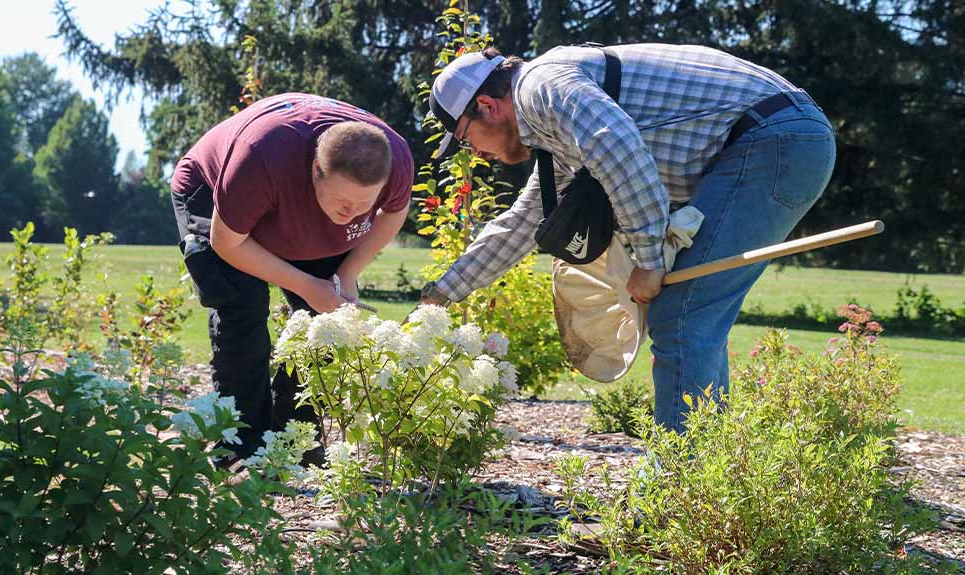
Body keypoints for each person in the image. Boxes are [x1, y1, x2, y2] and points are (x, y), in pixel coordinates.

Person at [420, 45, 836, 433]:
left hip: (775, 138)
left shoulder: (540, 87)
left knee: (682, 314)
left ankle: (677, 485)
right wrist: (439, 295)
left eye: (463, 138)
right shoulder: (553, 129)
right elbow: (523, 223)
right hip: (775, 136)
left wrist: (650, 261)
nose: (473, 153)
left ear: (487, 106)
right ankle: (708, 472)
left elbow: (618, 147)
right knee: (691, 315)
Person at [171, 93, 413, 464]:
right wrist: (304, 284)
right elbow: (227, 242)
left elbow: (394, 214)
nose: (351, 216)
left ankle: (296, 439)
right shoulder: (261, 158)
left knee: (325, 318)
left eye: (363, 206)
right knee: (243, 307)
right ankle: (240, 442)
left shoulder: (395, 159)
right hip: (216, 196)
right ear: (314, 170)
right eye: (343, 203)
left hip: (288, 202)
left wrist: (346, 274)